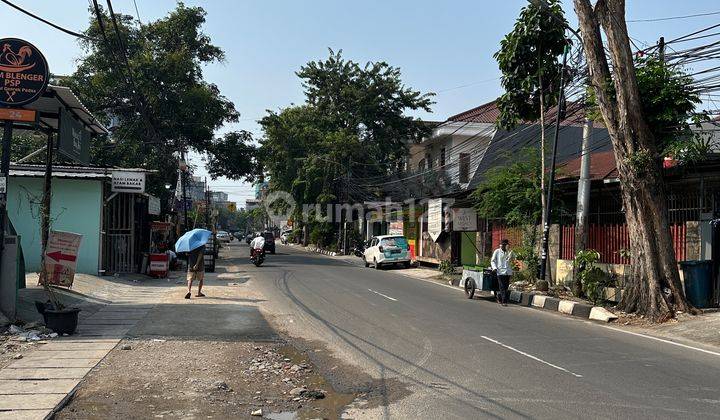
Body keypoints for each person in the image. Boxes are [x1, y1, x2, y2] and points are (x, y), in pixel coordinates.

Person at [491, 239, 514, 306]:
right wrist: (494, 268)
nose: (502, 246)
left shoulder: (509, 252)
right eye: (502, 245)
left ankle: (499, 296)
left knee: (506, 287)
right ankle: (504, 301)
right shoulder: (497, 251)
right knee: (502, 286)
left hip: (508, 272)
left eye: (504, 245)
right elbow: (493, 261)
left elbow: (514, 258)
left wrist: (510, 251)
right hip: (500, 271)